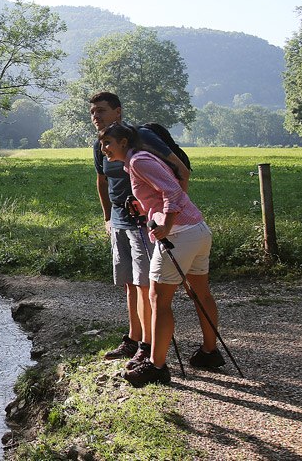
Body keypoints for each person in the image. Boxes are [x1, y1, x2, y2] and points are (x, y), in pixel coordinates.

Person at [98, 122, 223, 387]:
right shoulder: (136, 162)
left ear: (123, 142)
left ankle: (156, 366)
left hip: (178, 235)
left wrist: (165, 224)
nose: (104, 148)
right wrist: (143, 207)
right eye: (102, 143)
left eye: (108, 142)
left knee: (158, 299)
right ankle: (209, 353)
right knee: (201, 293)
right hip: (197, 231)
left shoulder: (139, 161)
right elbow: (162, 191)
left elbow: (173, 191)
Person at [88, 92, 190, 368]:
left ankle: (147, 346)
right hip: (120, 220)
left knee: (146, 283)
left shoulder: (140, 138)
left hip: (143, 222)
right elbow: (102, 182)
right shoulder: (101, 145)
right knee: (130, 283)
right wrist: (107, 217)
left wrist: (170, 216)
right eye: (93, 112)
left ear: (118, 112)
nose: (96, 116)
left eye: (102, 110)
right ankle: (133, 339)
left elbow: (181, 170)